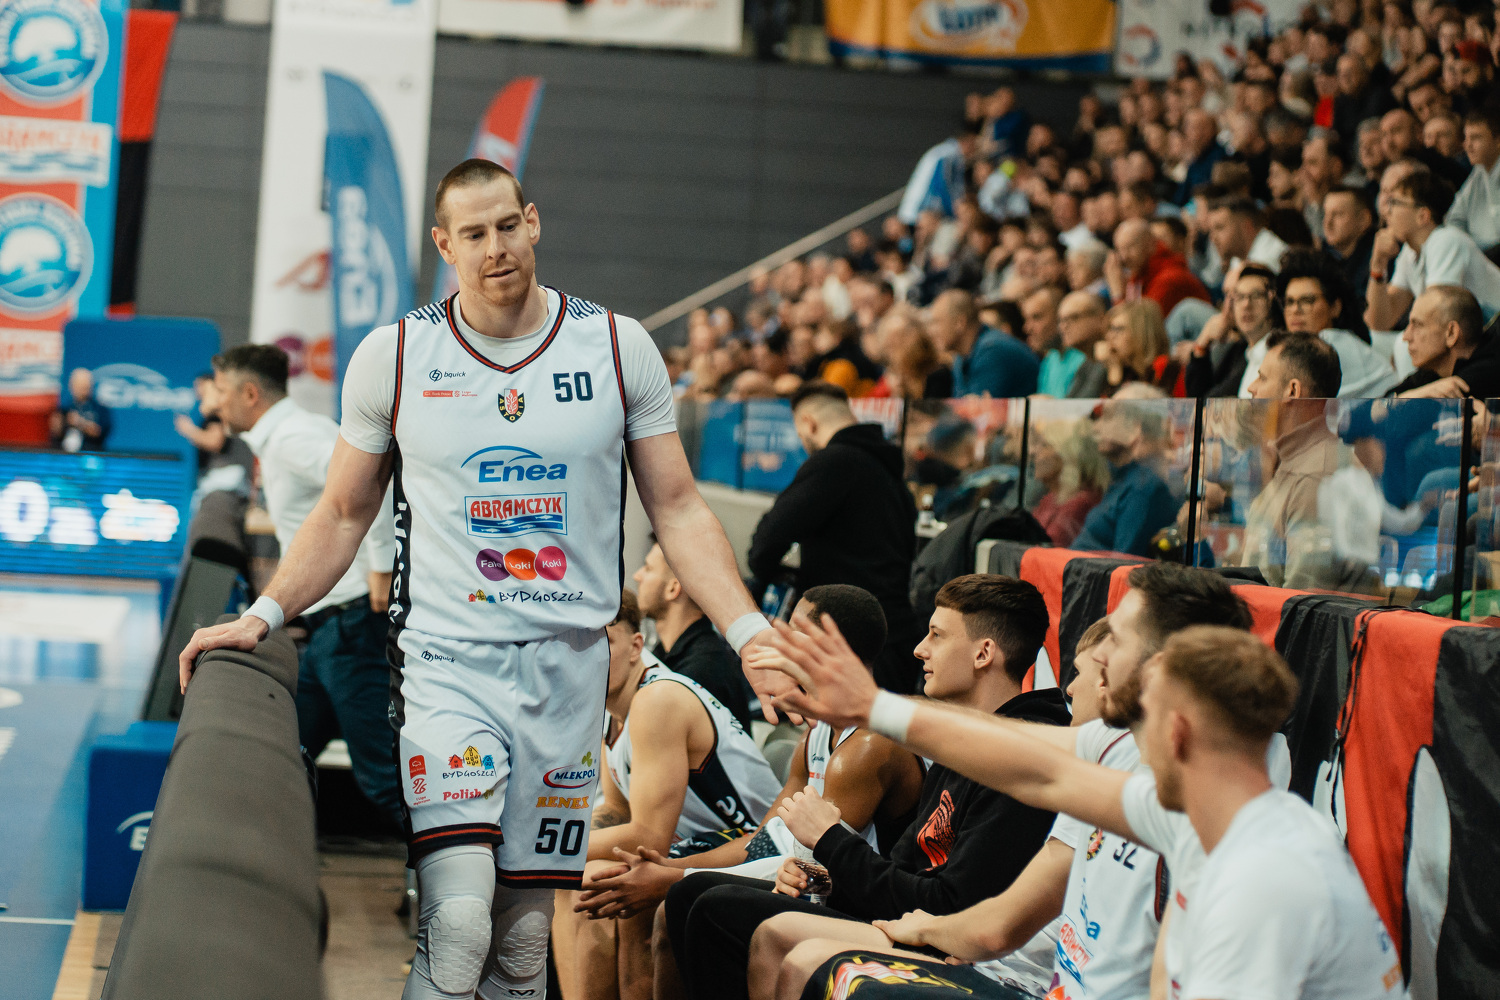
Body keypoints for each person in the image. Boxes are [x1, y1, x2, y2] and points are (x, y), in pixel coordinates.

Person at [176, 158, 786, 1000]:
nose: (494, 247)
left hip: (570, 674)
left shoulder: (618, 347)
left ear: (532, 223)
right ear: (445, 245)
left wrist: (751, 634)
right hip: (446, 666)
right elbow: (344, 512)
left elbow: (678, 508)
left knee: (524, 943)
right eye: (473, 234)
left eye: (506, 225)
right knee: (460, 922)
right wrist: (266, 613)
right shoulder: (395, 355)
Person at [759, 618, 1399, 1000]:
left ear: (1175, 734)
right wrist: (873, 707)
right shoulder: (1194, 811)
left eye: (1136, 725)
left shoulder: (1264, 880)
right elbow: (1042, 770)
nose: (1116, 743)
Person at [666, 576, 1072, 1000]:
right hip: (914, 917)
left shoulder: (1017, 759)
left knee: (719, 910)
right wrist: (826, 880)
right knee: (696, 897)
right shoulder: (963, 742)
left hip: (963, 949)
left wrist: (829, 840)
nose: (919, 649)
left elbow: (952, 905)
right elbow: (904, 865)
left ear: (983, 653)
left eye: (936, 635)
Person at [571, 586, 926, 997]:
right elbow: (766, 841)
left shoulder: (865, 747)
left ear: (832, 648)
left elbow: (810, 869)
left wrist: (674, 876)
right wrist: (669, 868)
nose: (777, 639)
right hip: (802, 876)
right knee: (663, 893)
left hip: (864, 903)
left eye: (793, 631)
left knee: (682, 901)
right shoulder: (815, 734)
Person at [552, 589, 781, 1000]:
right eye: (576, 645)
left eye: (603, 642)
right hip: (701, 843)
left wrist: (545, 847)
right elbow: (617, 810)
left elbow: (648, 836)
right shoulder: (609, 709)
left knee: (595, 880)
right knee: (565, 877)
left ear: (636, 645)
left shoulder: (657, 700)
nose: (588, 658)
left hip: (755, 848)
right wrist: (555, 847)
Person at [211, 344, 402, 829]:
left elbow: (373, 484)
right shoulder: (289, 434)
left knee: (384, 780)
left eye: (220, 390)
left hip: (351, 622)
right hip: (328, 629)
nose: (213, 403)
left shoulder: (293, 439)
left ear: (249, 394)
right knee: (284, 754)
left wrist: (382, 565)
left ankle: (470, 866)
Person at [748, 381, 921, 694]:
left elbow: (766, 543)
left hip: (843, 642)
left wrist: (779, 574)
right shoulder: (893, 474)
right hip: (894, 638)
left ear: (809, 423)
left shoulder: (833, 462)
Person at [1241, 332, 1378, 592]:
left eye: (1262, 378)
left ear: (1292, 390)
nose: (1251, 388)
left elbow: (1301, 602)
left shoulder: (1317, 475)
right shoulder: (1300, 460)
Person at [634, 541, 756, 730]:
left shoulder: (701, 670)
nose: (637, 576)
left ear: (673, 589)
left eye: (648, 568)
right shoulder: (665, 652)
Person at [1369, 167, 1500, 327]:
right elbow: (1380, 323)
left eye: (1394, 203)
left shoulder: (1446, 240)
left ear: (1422, 216)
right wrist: (1378, 264)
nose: (1386, 211)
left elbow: (1436, 315)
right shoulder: (1410, 252)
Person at [1275, 249, 1399, 397]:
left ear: (1335, 307)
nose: (1295, 310)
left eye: (1307, 301)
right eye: (1289, 302)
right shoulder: (1307, 347)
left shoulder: (1336, 347)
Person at [1071, 399, 1177, 557]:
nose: (1096, 427)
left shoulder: (1142, 488)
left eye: (1108, 417)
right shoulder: (1123, 479)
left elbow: (1123, 562)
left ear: (1134, 429)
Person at [1184, 263, 1279, 398]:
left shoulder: (1280, 354)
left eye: (1256, 295)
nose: (1246, 304)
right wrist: (1202, 345)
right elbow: (1201, 398)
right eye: (1240, 297)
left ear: (1272, 300)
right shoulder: (1239, 350)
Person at [927, 289, 1039, 398]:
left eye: (937, 322)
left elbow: (978, 409)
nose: (931, 331)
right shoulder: (962, 356)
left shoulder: (993, 351)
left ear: (959, 323)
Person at [1393, 285, 1500, 398]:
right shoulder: (1432, 370)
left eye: (1418, 325)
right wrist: (1418, 394)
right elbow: (1384, 402)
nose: (1406, 336)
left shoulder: (1487, 373)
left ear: (1451, 333)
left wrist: (1413, 397)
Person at [1107, 219, 1211, 321]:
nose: (1123, 257)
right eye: (1119, 249)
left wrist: (1117, 294)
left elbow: (1142, 326)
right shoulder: (1139, 273)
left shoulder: (1169, 277)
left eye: (1130, 247)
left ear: (1150, 244)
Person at [1029, 420, 1108, 548]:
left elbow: (1051, 549)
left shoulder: (1080, 504)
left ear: (1066, 455)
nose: (1033, 452)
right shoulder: (1050, 499)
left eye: (1045, 445)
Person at [1445, 106, 1500, 255]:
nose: (1467, 145)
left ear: (1497, 140)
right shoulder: (1478, 172)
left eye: (1475, 138)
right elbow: (1453, 220)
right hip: (1480, 256)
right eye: (1466, 138)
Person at [1099, 299, 1179, 396]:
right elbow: (1106, 405)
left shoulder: (1164, 366)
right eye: (1111, 329)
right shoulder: (1126, 370)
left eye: (1118, 329)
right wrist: (1114, 370)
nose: (1109, 336)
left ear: (1141, 333)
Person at [1206, 197, 1289, 276]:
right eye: (1211, 230)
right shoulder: (1237, 258)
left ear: (1246, 226)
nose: (1213, 238)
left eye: (1219, 228)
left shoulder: (1270, 257)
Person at [51, 367, 111, 452]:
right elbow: (57, 434)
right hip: (65, 454)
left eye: (85, 386)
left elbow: (99, 432)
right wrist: (58, 425)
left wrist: (79, 422)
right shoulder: (65, 409)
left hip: (90, 452)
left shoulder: (100, 409)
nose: (83, 390)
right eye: (78, 386)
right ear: (71, 386)